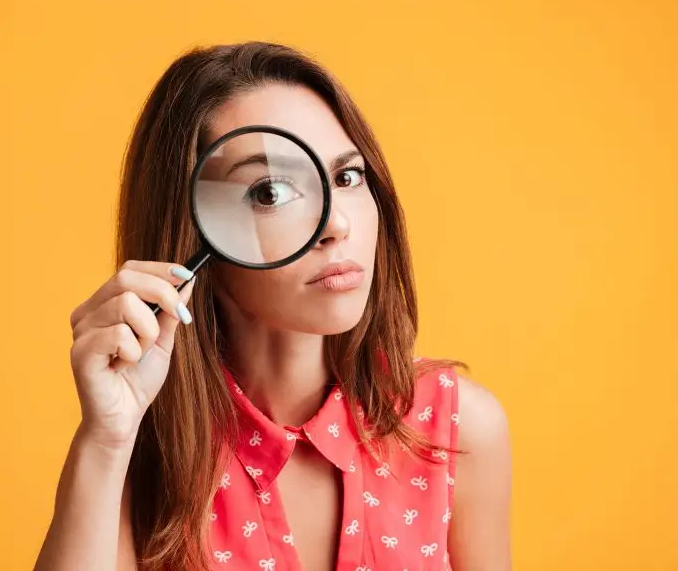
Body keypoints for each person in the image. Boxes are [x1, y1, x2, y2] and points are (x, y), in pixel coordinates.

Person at [33, 41, 512, 571]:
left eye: (347, 177)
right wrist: (105, 439)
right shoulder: (138, 452)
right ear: (192, 227)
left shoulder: (457, 427)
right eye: (270, 192)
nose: (337, 225)